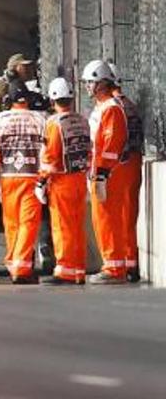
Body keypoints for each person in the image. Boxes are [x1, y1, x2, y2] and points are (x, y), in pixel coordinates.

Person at [0, 89, 46, 284]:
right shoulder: (40, 119)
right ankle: (21, 267)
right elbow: (47, 150)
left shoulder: (1, 120)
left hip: (8, 178)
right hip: (32, 176)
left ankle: (12, 262)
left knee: (12, 224)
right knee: (28, 223)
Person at [81, 59, 134, 284]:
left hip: (109, 174)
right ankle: (113, 265)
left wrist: (102, 172)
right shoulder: (103, 108)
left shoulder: (111, 109)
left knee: (108, 220)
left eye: (90, 82)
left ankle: (114, 269)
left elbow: (112, 143)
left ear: (101, 83)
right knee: (104, 220)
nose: (87, 86)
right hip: (102, 172)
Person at [37, 77, 91, 285]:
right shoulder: (82, 120)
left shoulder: (53, 123)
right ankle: (78, 269)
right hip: (79, 179)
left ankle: (65, 270)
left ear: (52, 99)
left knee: (62, 226)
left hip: (61, 182)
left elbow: (50, 157)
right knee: (77, 225)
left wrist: (41, 181)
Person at [112, 69, 144, 282]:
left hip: (120, 164)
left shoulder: (114, 108)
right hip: (134, 162)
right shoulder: (130, 104)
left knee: (116, 216)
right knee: (129, 215)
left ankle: (122, 263)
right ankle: (130, 262)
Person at [0, 53, 38, 150]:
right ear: (17, 67)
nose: (29, 70)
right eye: (25, 67)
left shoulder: (15, 86)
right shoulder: (1, 86)